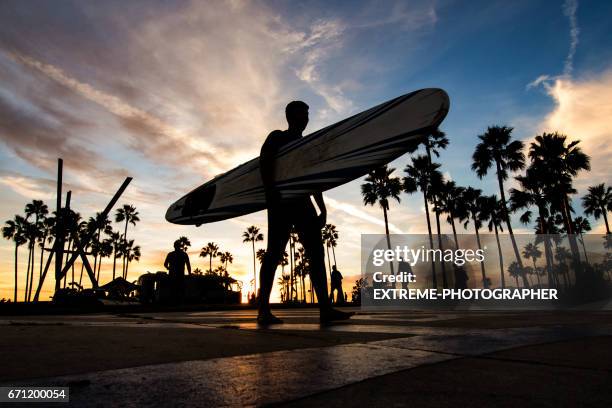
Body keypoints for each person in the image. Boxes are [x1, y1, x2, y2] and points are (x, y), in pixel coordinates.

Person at [258, 101, 353, 324]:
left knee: (317, 254)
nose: (306, 118)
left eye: (307, 114)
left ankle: (325, 309)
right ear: (290, 116)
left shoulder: (307, 145)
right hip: (281, 200)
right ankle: (263, 310)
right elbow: (265, 162)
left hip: (303, 202)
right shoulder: (277, 137)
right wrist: (270, 191)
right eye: (302, 114)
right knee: (274, 253)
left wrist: (323, 208)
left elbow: (314, 179)